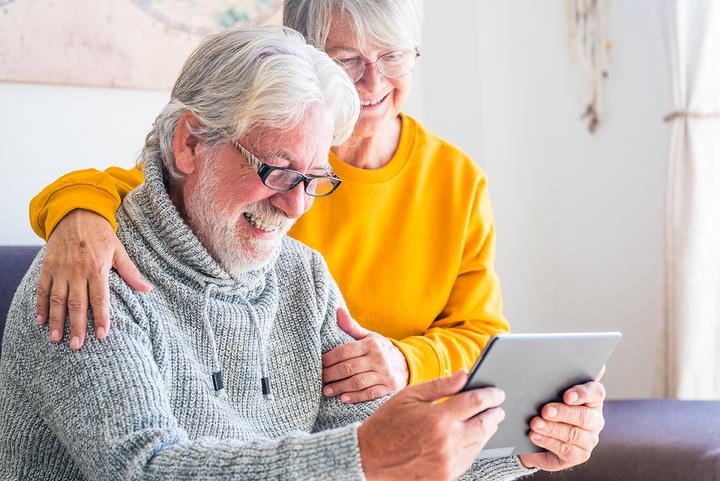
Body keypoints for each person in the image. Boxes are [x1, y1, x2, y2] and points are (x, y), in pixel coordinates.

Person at [25, 0, 607, 472]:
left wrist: (520, 447)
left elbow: (391, 440)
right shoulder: (88, 278)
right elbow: (146, 469)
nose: (295, 206)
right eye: (276, 170)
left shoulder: (300, 273)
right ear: (191, 143)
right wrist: (364, 456)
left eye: (315, 179)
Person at [30, 0, 507, 403]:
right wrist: (78, 215)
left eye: (393, 57)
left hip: (386, 407)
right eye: (347, 60)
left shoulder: (457, 179)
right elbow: (154, 190)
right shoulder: (246, 150)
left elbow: (481, 332)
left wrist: (405, 362)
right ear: (305, 59)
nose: (373, 82)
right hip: (276, 409)